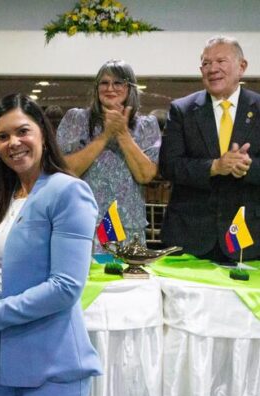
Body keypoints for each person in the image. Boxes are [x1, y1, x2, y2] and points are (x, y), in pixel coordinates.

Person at [0, 94, 101, 396]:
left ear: (43, 133)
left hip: (50, 363)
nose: (13, 143)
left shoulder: (68, 191)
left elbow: (66, 287)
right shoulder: (3, 195)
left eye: (22, 131)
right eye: (2, 137)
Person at [160, 36, 260, 261]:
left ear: (242, 66)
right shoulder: (181, 110)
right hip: (189, 237)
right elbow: (169, 165)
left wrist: (247, 167)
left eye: (221, 61)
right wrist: (214, 166)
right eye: (206, 63)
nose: (212, 69)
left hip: (249, 240)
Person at [56, 59, 161, 252]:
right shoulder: (76, 119)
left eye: (118, 83)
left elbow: (145, 175)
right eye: (104, 83)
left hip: (129, 228)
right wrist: (105, 136)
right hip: (83, 225)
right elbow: (66, 170)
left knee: (129, 282)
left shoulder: (147, 125)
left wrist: (122, 133)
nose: (110, 88)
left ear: (130, 88)